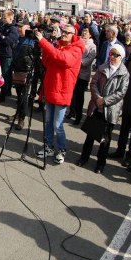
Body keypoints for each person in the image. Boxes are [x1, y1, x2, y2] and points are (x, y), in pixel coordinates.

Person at [34, 23, 84, 164]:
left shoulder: (76, 49)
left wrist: (44, 42)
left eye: (67, 32)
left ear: (73, 35)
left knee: (57, 124)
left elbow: (63, 59)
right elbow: (47, 62)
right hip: (51, 86)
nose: (63, 34)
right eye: (63, 31)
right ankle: (49, 146)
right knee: (48, 121)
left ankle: (61, 149)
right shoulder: (58, 45)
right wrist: (45, 46)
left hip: (62, 90)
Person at [76, 43, 129, 173]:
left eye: (116, 55)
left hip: (110, 110)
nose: (112, 57)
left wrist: (104, 101)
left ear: (121, 57)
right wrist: (97, 98)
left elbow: (121, 92)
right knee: (90, 134)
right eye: (111, 53)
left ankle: (100, 163)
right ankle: (84, 157)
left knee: (105, 139)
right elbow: (93, 83)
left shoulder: (124, 73)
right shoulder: (102, 67)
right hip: (97, 106)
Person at [69, 26, 97, 125]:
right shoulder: (77, 42)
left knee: (79, 96)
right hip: (73, 72)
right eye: (83, 31)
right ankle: (71, 111)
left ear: (90, 34)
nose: (84, 33)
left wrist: (76, 61)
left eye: (86, 32)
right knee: (72, 93)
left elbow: (88, 61)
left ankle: (78, 116)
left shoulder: (92, 46)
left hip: (83, 74)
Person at [0, 10, 19, 101]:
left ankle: (3, 94)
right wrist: (1, 36)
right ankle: (5, 91)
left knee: (5, 75)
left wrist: (2, 37)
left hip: (8, 54)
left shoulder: (13, 29)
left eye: (5, 18)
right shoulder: (2, 26)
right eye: (3, 18)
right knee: (1, 74)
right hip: (1, 52)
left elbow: (8, 41)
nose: (3, 19)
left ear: (11, 18)